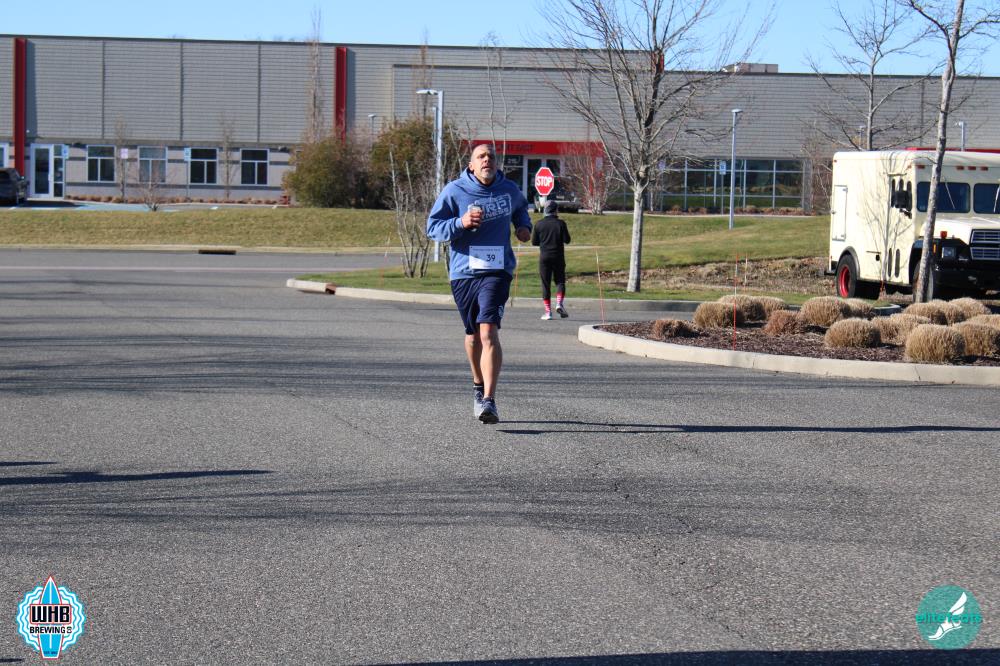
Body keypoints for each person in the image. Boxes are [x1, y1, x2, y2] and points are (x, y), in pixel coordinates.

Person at [426, 143, 532, 424]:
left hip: (497, 271)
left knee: (488, 331)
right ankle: (477, 383)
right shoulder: (455, 190)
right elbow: (432, 228)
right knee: (473, 335)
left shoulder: (508, 189)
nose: (487, 160)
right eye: (481, 156)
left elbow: (521, 209)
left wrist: (524, 227)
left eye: (491, 156)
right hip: (463, 273)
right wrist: (460, 222)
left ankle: (489, 400)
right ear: (471, 165)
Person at [531, 200, 572, 320]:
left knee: (545, 284)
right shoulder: (561, 223)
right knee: (560, 281)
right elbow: (567, 240)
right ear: (555, 210)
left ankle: (548, 312)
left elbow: (534, 242)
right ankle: (559, 303)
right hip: (558, 256)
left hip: (544, 257)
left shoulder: (538, 224)